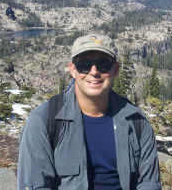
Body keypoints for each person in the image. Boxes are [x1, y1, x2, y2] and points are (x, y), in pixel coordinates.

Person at [17, 33, 161, 190]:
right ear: (72, 69)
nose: (94, 71)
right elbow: (35, 185)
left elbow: (149, 183)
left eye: (103, 64)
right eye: (84, 64)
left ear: (116, 70)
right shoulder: (44, 121)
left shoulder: (136, 121)